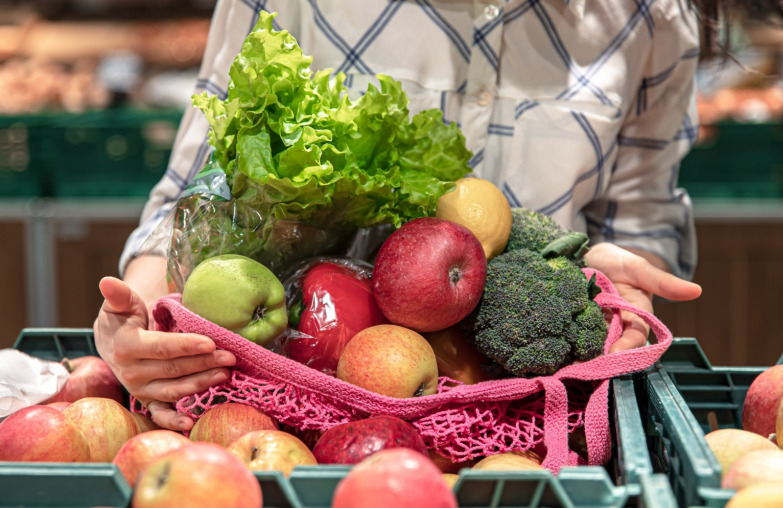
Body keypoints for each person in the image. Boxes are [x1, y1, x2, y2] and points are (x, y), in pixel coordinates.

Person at [93, 0, 775, 432]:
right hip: (288, 409)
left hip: (533, 417)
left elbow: (639, 221)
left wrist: (620, 297)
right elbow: (186, 198)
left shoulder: (653, 17)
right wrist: (143, 325)